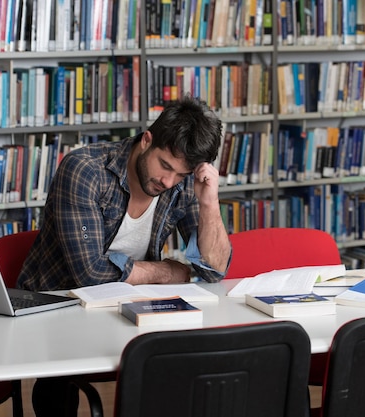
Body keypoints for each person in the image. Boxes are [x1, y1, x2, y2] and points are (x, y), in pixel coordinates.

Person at [17, 95, 232, 416]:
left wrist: (209, 202)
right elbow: (88, 275)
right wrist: (168, 272)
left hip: (132, 301)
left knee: (187, 361)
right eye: (165, 166)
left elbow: (214, 270)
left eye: (181, 175)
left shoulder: (183, 183)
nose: (168, 182)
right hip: (60, 301)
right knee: (61, 385)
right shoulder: (85, 170)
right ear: (147, 140)